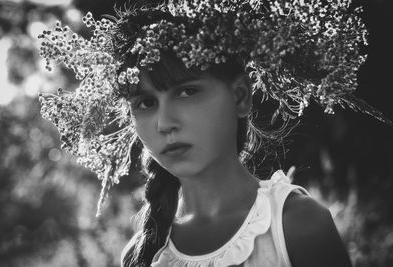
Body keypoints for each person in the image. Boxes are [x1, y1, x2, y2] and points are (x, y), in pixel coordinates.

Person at [37, 1, 391, 266]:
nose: (164, 123)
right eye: (145, 102)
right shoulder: (142, 254)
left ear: (240, 96)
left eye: (187, 91)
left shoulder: (297, 227)